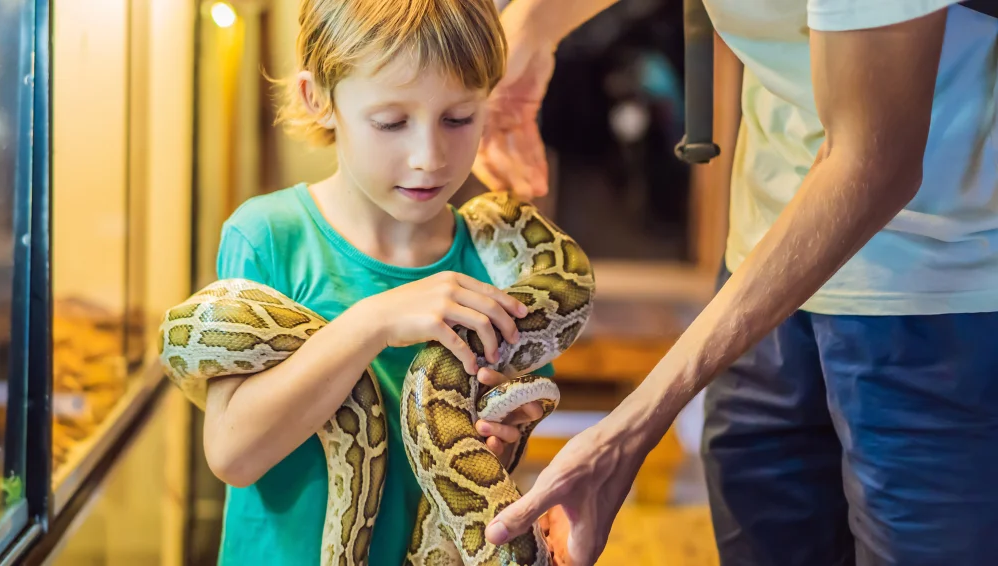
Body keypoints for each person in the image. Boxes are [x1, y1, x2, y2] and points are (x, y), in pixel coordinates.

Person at [476, 1, 998, 565]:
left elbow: (873, 164)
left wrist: (631, 428)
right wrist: (536, 25)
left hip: (938, 288)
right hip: (763, 253)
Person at [199, 0, 552, 564]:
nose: (428, 157)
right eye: (391, 122)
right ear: (320, 99)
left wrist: (497, 450)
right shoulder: (269, 238)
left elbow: (489, 469)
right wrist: (374, 321)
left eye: (459, 118)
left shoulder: (503, 273)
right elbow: (233, 454)